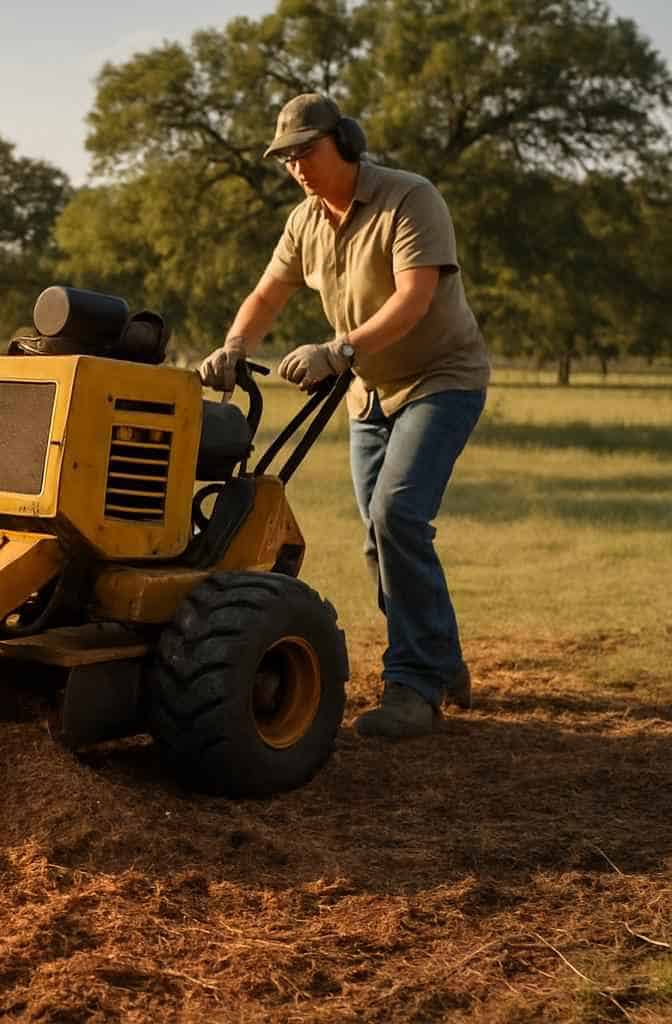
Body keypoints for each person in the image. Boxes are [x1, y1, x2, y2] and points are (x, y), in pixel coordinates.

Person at [197, 93, 490, 739]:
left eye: (308, 150)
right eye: (287, 157)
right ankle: (440, 657)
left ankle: (412, 684)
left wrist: (340, 349)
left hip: (441, 379)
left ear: (347, 141)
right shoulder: (304, 221)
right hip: (370, 394)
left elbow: (414, 299)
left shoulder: (410, 197)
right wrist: (234, 347)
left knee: (398, 517)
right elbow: (268, 292)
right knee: (377, 536)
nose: (297, 165)